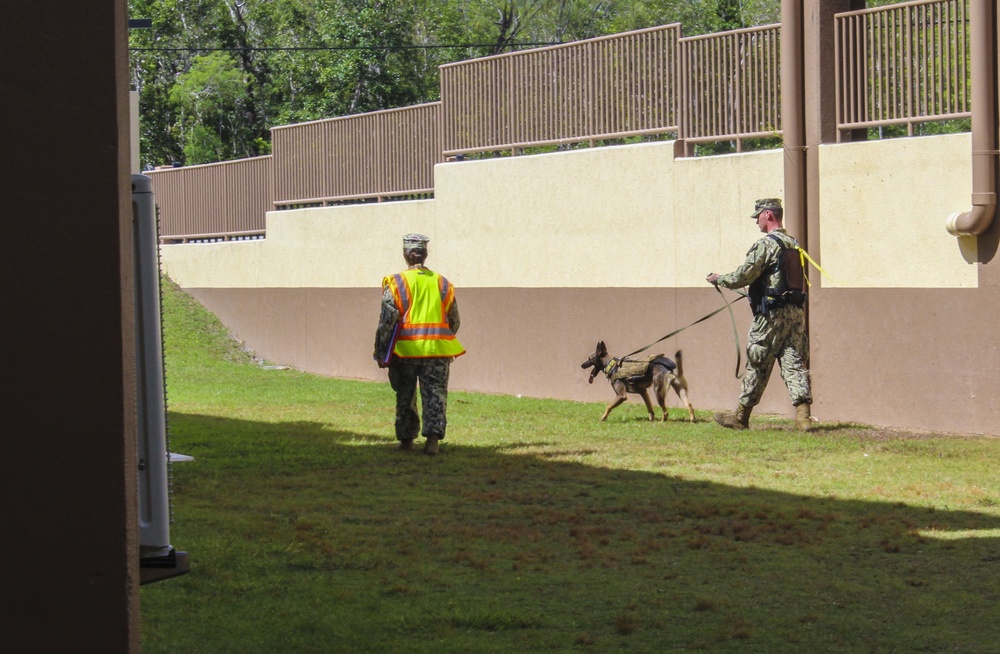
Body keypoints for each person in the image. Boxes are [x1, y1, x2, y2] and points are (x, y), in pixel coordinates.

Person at [706, 198, 813, 431]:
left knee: (757, 361)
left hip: (771, 315)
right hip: (794, 313)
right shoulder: (794, 243)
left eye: (758, 216)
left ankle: (741, 417)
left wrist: (719, 279)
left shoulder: (767, 244)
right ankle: (804, 418)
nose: (756, 221)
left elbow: (743, 276)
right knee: (793, 362)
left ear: (768, 215)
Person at [374, 233, 465, 454]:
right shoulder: (443, 283)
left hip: (406, 351)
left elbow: (388, 320)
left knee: (405, 394)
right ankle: (432, 442)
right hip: (437, 350)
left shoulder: (396, 282)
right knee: (435, 395)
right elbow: (454, 321)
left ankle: (406, 441)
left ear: (405, 255)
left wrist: (380, 350)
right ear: (425, 254)